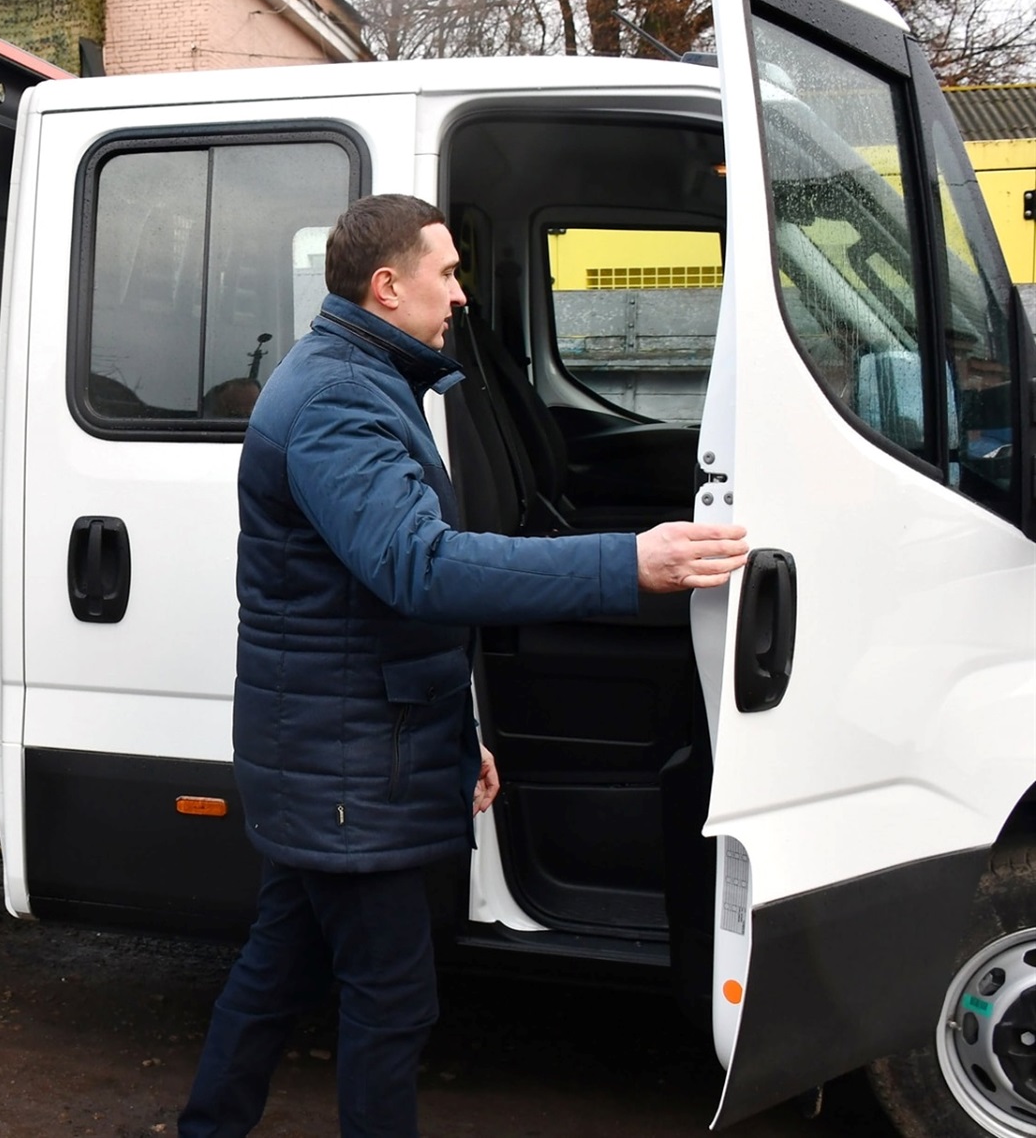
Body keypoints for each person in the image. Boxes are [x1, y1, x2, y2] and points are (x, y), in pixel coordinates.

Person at [178, 194, 749, 1138]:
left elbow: (378, 601)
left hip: (348, 750)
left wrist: (458, 734)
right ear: (386, 285)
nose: (459, 296)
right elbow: (418, 566)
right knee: (391, 1001)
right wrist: (626, 562)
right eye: (445, 273)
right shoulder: (334, 400)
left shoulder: (364, 380)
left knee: (279, 967)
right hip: (346, 768)